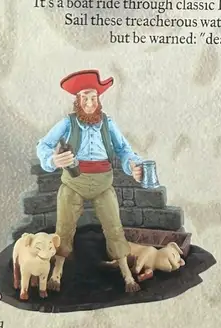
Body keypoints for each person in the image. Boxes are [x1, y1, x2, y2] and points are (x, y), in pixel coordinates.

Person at [36, 70, 144, 294]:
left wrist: (133, 165)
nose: (89, 103)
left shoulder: (107, 123)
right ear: (77, 100)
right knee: (64, 227)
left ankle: (127, 275)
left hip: (103, 183)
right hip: (74, 182)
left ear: (99, 100)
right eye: (84, 98)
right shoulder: (68, 123)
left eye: (93, 98)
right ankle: (57, 272)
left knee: (114, 227)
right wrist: (53, 160)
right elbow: (43, 145)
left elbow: (124, 149)